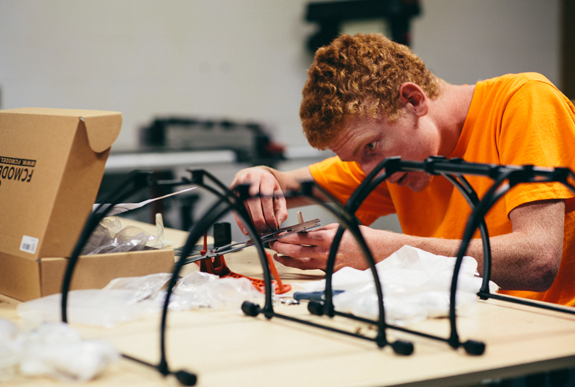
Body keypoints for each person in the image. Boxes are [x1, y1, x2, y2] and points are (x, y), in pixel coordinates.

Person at [230, 33, 575, 306]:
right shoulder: (386, 165)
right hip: (475, 321)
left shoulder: (524, 102)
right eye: (355, 159)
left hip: (551, 338)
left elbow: (538, 260)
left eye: (371, 147)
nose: (370, 174)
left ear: (413, 101)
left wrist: (383, 250)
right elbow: (288, 184)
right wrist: (260, 177)